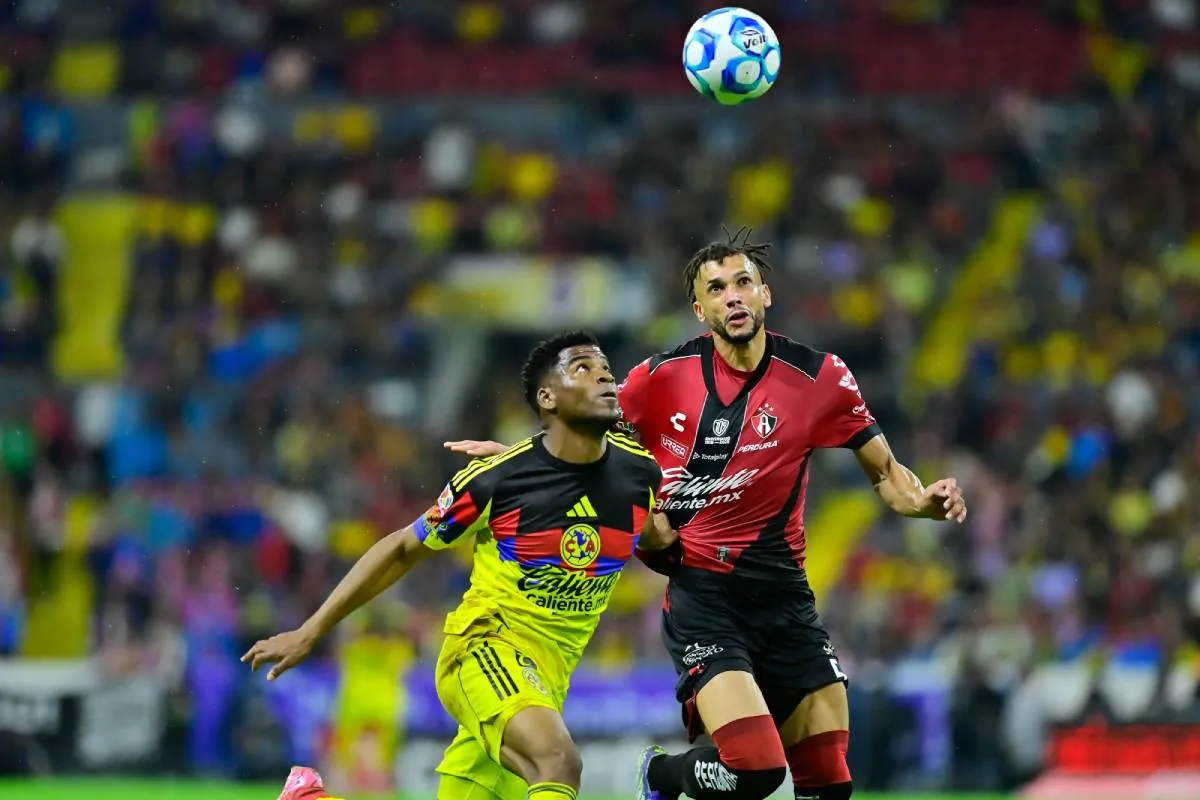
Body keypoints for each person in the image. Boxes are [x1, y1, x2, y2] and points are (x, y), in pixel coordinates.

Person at [445, 229, 969, 800]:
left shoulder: (820, 378)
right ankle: (660, 775)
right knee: (756, 772)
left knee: (830, 783)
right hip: (704, 598)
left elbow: (887, 474)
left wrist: (923, 502)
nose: (733, 296)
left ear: (765, 294)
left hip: (786, 598)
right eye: (716, 289)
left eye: (743, 282)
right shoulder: (658, 379)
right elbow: (579, 440)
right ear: (700, 310)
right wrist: (519, 459)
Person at [243, 330, 676, 800]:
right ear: (547, 398)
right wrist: (311, 631)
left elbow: (662, 538)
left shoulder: (638, 474)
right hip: (484, 649)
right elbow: (402, 548)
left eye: (607, 370)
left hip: (547, 679)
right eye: (583, 369)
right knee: (557, 761)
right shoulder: (496, 481)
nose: (605, 378)